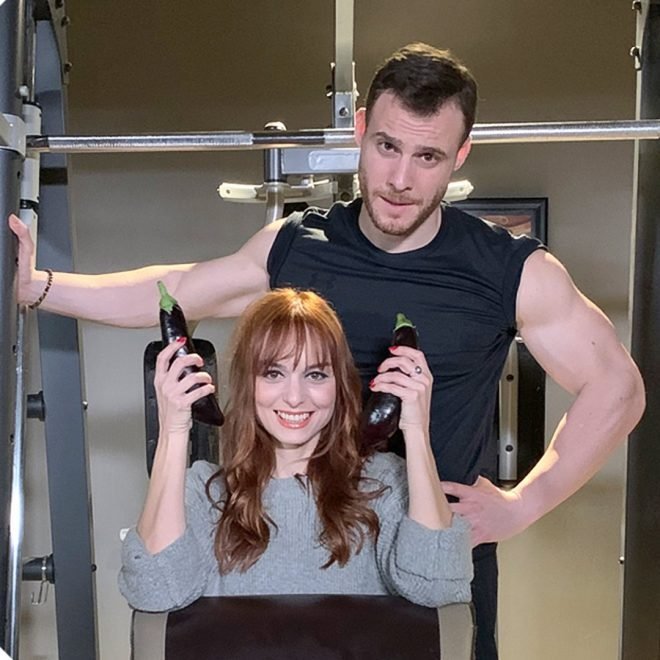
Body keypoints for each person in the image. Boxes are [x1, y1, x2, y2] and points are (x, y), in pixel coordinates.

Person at [8, 43, 645, 658]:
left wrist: (523, 504)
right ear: (360, 130)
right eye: (387, 146)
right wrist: (40, 286)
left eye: (428, 156)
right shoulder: (298, 245)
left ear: (461, 154)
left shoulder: (509, 269)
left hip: (429, 565)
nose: (400, 179)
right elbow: (178, 288)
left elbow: (618, 389)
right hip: (298, 556)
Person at [118, 288, 473, 612]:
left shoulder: (385, 484)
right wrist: (174, 429)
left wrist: (417, 431)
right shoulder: (205, 492)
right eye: (273, 373)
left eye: (315, 375)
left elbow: (437, 587)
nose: (294, 397)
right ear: (248, 383)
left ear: (339, 385)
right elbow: (155, 592)